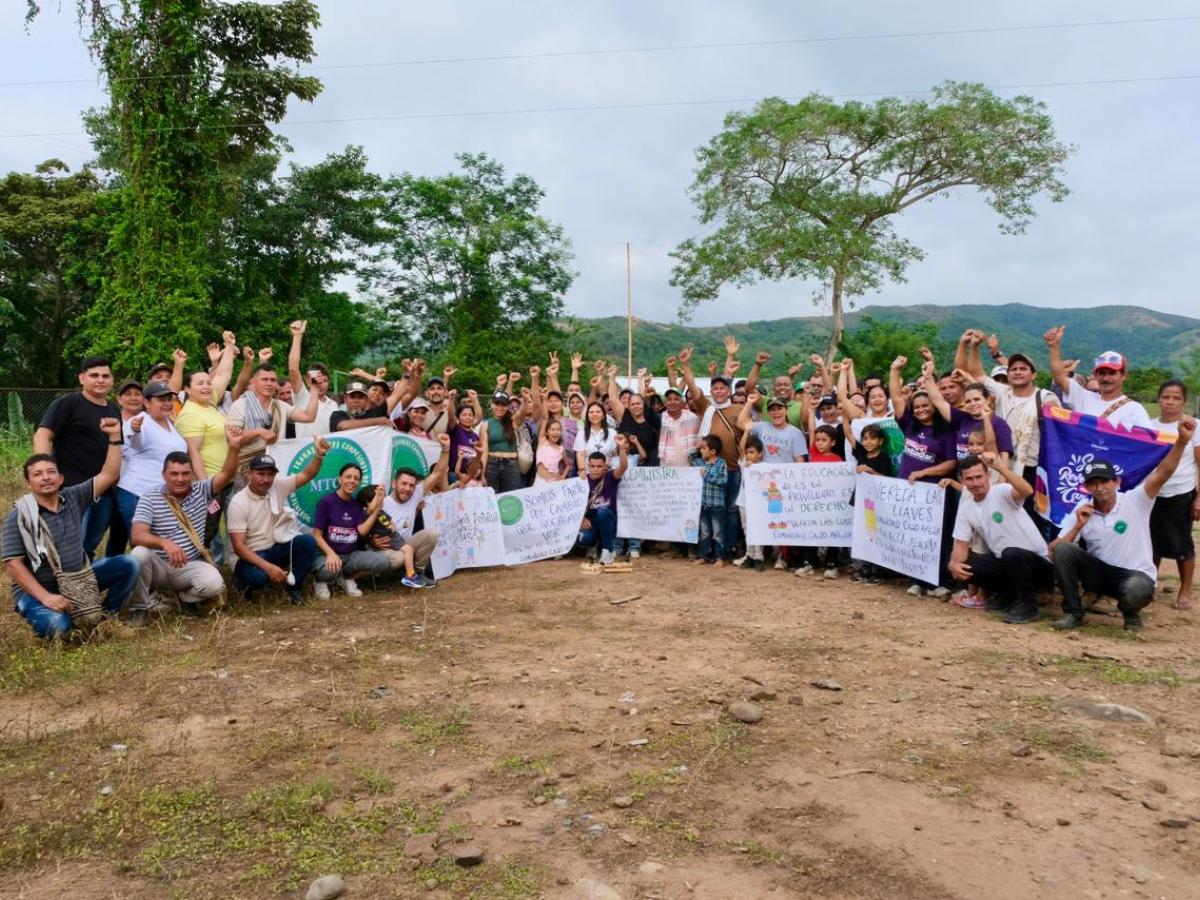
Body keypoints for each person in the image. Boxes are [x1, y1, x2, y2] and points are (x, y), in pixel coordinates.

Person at [1048, 416, 1197, 631]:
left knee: (1136, 587)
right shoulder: (1082, 509)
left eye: (1104, 481)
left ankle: (1131, 614)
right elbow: (1053, 552)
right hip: (1101, 575)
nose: (1099, 488)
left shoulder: (1136, 500)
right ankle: (1073, 613)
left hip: (1134, 574)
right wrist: (1077, 527)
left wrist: (1182, 441)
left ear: (1116, 482)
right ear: (1086, 488)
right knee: (1065, 549)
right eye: (1093, 483)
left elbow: (1163, 472)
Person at [4, 416, 140, 638]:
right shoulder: (19, 515)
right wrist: (46, 597)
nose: (45, 478)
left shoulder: (74, 497)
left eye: (51, 472)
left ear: (60, 479)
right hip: (40, 591)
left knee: (128, 563)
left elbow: (109, 474)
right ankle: (62, 618)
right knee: (59, 625)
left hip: (79, 579)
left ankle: (104, 618)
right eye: (37, 475)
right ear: (28, 484)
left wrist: (115, 436)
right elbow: (13, 565)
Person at [128, 427, 245, 624]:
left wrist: (233, 447)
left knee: (214, 585)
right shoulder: (150, 497)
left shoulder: (202, 490)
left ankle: (183, 599)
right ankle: (140, 608)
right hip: (160, 565)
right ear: (163, 474)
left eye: (185, 474)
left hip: (189, 564)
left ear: (191, 474)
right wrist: (165, 543)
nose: (180, 479)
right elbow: (137, 535)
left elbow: (227, 473)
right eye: (174, 474)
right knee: (138, 554)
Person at [947, 453, 1052, 625]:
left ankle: (1028, 606)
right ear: (962, 480)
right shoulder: (966, 508)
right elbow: (960, 544)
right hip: (1006, 562)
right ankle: (1009, 595)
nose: (975, 483)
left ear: (988, 476)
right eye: (970, 479)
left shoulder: (1002, 491)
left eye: (979, 477)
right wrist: (953, 564)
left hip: (1037, 564)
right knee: (965, 564)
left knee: (1011, 553)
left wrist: (1001, 468)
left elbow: (1027, 490)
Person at [33, 356, 122, 558]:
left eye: (105, 376)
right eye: (94, 375)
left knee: (88, 548)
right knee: (67, 550)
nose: (100, 380)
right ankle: (58, 589)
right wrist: (45, 474)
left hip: (105, 494)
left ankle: (83, 587)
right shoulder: (69, 403)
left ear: (112, 380)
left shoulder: (113, 409)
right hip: (71, 492)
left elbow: (117, 447)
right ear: (82, 378)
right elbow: (43, 435)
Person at [889, 356, 958, 598]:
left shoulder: (947, 431)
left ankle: (936, 582)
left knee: (936, 538)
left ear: (934, 406)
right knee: (912, 536)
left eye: (925, 406)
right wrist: (894, 370)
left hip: (934, 493)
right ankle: (916, 580)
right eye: (917, 407)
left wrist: (924, 472)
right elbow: (897, 398)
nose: (920, 410)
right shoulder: (909, 426)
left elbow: (951, 463)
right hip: (909, 493)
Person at [226, 442, 327, 604]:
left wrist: (319, 455)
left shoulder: (278, 486)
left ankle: (294, 588)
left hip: (276, 548)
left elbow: (307, 475)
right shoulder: (238, 502)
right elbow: (239, 547)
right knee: (258, 577)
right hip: (251, 555)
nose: (266, 479)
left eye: (270, 474)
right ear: (250, 474)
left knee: (308, 542)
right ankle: (243, 586)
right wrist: (268, 567)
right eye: (260, 474)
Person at [1148, 381, 1200, 610]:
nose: (1170, 402)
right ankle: (1150, 583)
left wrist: (1199, 498)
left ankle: (1185, 589)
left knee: (1182, 543)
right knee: (1151, 543)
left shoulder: (1193, 426)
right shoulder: (1149, 426)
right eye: (1166, 397)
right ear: (1158, 399)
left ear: (1184, 401)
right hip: (1152, 494)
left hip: (1180, 492)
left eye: (1176, 398)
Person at [116, 381, 189, 544]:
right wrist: (135, 429)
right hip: (137, 494)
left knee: (160, 544)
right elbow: (135, 439)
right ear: (147, 403)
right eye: (161, 399)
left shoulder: (170, 423)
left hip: (161, 496)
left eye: (169, 399)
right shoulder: (140, 421)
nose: (167, 403)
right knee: (142, 546)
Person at [311, 464, 394, 598]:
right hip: (326, 555)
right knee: (330, 570)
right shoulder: (326, 502)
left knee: (382, 562)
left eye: (356, 478)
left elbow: (361, 531)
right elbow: (316, 535)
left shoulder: (356, 505)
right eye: (348, 477)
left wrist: (378, 504)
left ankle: (346, 577)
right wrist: (331, 554)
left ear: (359, 482)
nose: (352, 481)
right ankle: (321, 581)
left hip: (350, 556)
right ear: (340, 479)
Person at [1043, 326, 1152, 427]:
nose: (1106, 378)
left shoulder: (1134, 409)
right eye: (1102, 373)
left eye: (1112, 373)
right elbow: (1059, 377)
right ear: (1095, 375)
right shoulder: (1084, 398)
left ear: (1124, 376)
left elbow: (1151, 441)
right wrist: (1054, 347)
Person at [383, 433, 451, 584]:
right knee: (399, 557)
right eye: (404, 484)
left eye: (411, 485)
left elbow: (438, 473)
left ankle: (418, 574)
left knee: (431, 534)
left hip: (406, 545)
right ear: (394, 484)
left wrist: (446, 449)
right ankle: (389, 578)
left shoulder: (415, 495)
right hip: (388, 548)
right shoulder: (383, 503)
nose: (407, 489)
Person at [224, 364, 320, 469]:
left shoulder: (280, 406)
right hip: (247, 468)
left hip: (276, 466)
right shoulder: (240, 405)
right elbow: (232, 440)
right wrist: (259, 432)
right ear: (253, 382)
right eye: (264, 379)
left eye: (273, 380)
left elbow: (308, 417)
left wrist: (314, 389)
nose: (269, 383)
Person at [577, 436, 630, 565]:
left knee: (602, 512)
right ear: (588, 466)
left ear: (605, 466)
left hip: (608, 518)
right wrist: (582, 518)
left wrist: (622, 448)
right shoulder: (582, 481)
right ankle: (593, 543)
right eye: (593, 466)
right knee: (582, 538)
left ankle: (607, 552)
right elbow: (575, 505)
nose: (595, 469)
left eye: (599, 466)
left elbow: (623, 467)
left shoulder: (610, 477)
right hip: (590, 521)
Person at [285, 321, 341, 437]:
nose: (320, 384)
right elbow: (293, 370)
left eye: (324, 380)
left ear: (329, 382)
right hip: (306, 452)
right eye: (317, 380)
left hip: (329, 451)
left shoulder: (334, 405)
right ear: (307, 380)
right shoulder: (302, 396)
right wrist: (297, 336)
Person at [479, 388, 528, 494]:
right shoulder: (486, 424)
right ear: (492, 405)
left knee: (511, 498)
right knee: (492, 498)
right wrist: (482, 474)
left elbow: (523, 412)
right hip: (492, 464)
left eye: (503, 405)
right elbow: (484, 451)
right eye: (497, 404)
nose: (500, 408)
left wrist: (525, 398)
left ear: (508, 406)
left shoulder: (513, 421)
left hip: (511, 465)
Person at [692, 434, 729, 566]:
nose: (700, 450)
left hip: (717, 505)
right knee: (704, 533)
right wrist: (698, 446)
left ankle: (720, 558)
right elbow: (690, 456)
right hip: (703, 504)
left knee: (718, 532)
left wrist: (707, 475)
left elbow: (723, 481)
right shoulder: (700, 462)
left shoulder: (721, 463)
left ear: (713, 451)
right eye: (700, 448)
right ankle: (704, 556)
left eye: (703, 448)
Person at [739, 393, 808, 463]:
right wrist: (749, 402)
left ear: (786, 411)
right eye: (772, 409)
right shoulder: (762, 427)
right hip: (764, 472)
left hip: (786, 473)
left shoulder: (796, 433)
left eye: (779, 408)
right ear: (768, 413)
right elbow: (741, 423)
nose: (776, 412)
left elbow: (800, 461)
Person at [733, 434, 767, 571]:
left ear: (760, 454)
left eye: (752, 452)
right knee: (747, 529)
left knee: (758, 529)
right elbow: (741, 449)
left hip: (759, 503)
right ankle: (750, 556)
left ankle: (759, 557)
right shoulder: (744, 465)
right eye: (747, 452)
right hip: (744, 502)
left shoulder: (765, 467)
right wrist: (746, 431)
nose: (748, 455)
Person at [329, 380, 403, 432]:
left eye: (360, 397)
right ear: (345, 399)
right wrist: (379, 421)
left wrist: (407, 375)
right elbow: (343, 426)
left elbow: (396, 396)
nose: (356, 400)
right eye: (352, 397)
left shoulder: (375, 413)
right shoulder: (337, 415)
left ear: (366, 399)